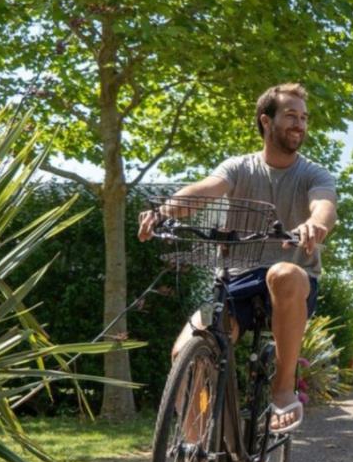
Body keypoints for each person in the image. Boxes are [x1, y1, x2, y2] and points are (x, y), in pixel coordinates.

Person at [137, 82, 337, 435]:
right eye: (291, 116)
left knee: (283, 273)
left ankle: (283, 390)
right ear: (266, 121)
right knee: (186, 352)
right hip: (237, 281)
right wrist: (164, 211)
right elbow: (205, 189)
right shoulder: (239, 167)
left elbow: (324, 205)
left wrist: (314, 224)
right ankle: (199, 453)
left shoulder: (313, 173)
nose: (300, 124)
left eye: (304, 118)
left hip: (291, 286)